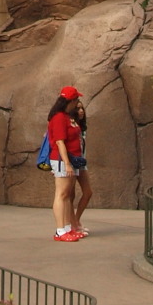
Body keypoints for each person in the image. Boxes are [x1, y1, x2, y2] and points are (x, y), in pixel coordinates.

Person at [46, 89, 85, 242]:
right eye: (75, 100)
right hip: (63, 160)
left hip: (71, 159)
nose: (77, 104)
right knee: (61, 194)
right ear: (70, 101)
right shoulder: (59, 117)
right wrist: (67, 164)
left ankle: (68, 228)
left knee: (67, 195)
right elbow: (59, 142)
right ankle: (60, 230)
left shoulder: (67, 117)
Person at [71, 93, 93, 233]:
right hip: (71, 163)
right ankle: (72, 224)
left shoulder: (82, 128)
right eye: (78, 108)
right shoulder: (71, 126)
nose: (81, 111)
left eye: (82, 108)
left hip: (81, 163)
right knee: (69, 195)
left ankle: (76, 220)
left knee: (88, 192)